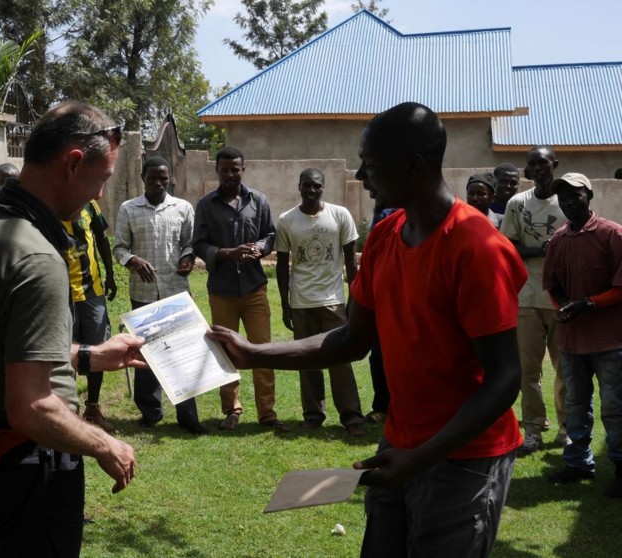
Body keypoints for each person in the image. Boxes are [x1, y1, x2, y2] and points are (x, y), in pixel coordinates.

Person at [209, 102, 526, 558]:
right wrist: (252, 353)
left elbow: (504, 379)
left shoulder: (476, 248)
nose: (359, 175)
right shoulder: (385, 235)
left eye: (371, 164)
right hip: (400, 444)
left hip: (464, 460)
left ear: (413, 167)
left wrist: (422, 457)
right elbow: (350, 340)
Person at [0, 102, 142, 558]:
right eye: (102, 179)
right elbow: (30, 407)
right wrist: (105, 444)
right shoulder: (36, 257)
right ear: (73, 163)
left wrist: (90, 356)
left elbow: (7, 346)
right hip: (30, 466)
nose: (99, 197)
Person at [193, 146, 288, 432]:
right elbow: (199, 244)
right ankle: (231, 410)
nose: (230, 174)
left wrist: (259, 248)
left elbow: (270, 235)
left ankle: (267, 413)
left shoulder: (258, 200)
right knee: (226, 352)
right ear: (217, 171)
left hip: (255, 287)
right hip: (222, 290)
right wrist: (226, 253)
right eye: (225, 169)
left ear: (242, 169)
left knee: (262, 349)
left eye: (235, 169)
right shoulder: (206, 205)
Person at [542, 173, 622, 497]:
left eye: (575, 196)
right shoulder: (559, 239)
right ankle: (577, 463)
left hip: (610, 339)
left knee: (615, 408)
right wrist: (563, 306)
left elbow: (621, 286)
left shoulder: (612, 234)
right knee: (575, 405)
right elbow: (552, 285)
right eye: (563, 198)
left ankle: (620, 466)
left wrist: (589, 305)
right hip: (572, 340)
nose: (569, 202)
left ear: (589, 195)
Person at [114, 156, 207, 434]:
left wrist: (188, 259)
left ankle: (188, 416)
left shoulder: (183, 208)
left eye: (163, 178)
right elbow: (119, 247)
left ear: (170, 180)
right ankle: (150, 412)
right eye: (152, 177)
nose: (157, 182)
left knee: (182, 352)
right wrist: (132, 260)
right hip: (142, 292)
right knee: (145, 354)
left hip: (175, 292)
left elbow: (189, 244)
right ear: (143, 178)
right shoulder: (129, 209)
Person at [275, 167, 364, 436]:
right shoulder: (286, 220)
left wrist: (354, 297)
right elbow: (282, 265)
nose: (312, 190)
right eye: (307, 186)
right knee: (307, 360)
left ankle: (351, 417)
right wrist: (285, 303)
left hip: (333, 301)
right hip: (301, 302)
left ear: (323, 187)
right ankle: (313, 414)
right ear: (299, 187)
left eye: (317, 186)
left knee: (340, 359)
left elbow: (351, 260)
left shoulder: (340, 215)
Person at [500, 146, 568, 454]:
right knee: (529, 371)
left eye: (543, 162)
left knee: (565, 369)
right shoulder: (517, 203)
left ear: (554, 164)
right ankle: (533, 429)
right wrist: (541, 251)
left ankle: (567, 428)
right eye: (532, 164)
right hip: (526, 298)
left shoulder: (567, 200)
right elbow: (509, 246)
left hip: (561, 299)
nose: (538, 168)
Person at [62, 199, 116, 432]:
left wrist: (110, 273)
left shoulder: (89, 205)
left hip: (93, 293)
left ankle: (92, 409)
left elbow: (102, 239)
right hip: (61, 295)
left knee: (97, 350)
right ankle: (67, 411)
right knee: (64, 355)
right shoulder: (48, 204)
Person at [364, 203, 397, 425]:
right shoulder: (386, 214)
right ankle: (382, 407)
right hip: (385, 296)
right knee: (379, 355)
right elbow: (374, 250)